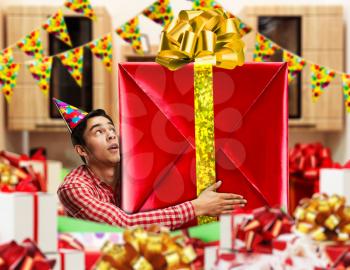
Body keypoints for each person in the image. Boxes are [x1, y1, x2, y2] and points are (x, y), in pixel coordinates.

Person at [54, 98, 247, 230]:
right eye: (99, 132)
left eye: (111, 129)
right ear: (82, 150)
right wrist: (197, 207)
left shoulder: (136, 169)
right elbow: (124, 225)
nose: (111, 134)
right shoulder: (73, 187)